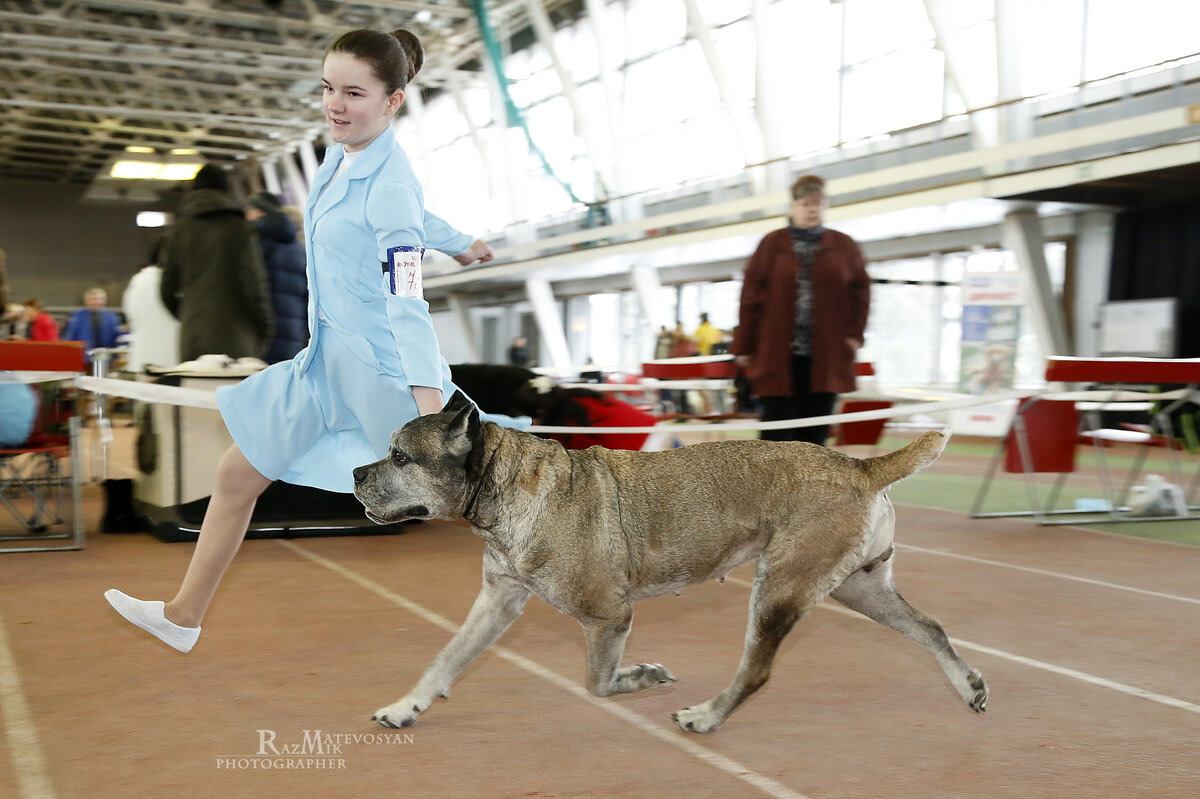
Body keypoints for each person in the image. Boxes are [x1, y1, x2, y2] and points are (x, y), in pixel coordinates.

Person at [104, 28, 525, 654]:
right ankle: (183, 615)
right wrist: (461, 241)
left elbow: (404, 293)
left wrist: (429, 407)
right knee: (237, 473)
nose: (336, 103)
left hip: (384, 373)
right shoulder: (340, 161)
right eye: (329, 88)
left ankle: (600, 572)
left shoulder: (387, 182)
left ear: (393, 101)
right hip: (324, 365)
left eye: (354, 92)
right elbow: (409, 222)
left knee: (495, 500)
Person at [732, 174, 869, 445]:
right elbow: (750, 297)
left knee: (816, 433)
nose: (812, 209)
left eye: (819, 204)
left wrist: (854, 335)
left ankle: (814, 487)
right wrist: (743, 346)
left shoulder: (844, 245)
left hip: (828, 354)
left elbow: (861, 293)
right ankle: (770, 488)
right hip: (776, 354)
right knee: (776, 434)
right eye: (806, 203)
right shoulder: (771, 244)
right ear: (792, 206)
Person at [159, 165, 275, 362]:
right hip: (237, 339)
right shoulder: (240, 229)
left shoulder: (178, 230)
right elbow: (254, 286)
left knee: (195, 393)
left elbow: (166, 290)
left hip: (193, 339)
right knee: (233, 393)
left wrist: (189, 316)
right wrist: (265, 328)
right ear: (226, 190)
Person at [246, 191, 309, 363]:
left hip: (262, 338)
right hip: (293, 338)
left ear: (259, 212)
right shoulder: (299, 250)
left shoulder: (255, 244)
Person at [121, 243, 181, 372]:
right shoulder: (176, 281)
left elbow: (131, 315)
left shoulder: (138, 280)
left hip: (143, 361)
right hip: (173, 363)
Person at [63, 288, 121, 359]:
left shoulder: (113, 318)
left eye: (100, 299)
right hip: (82, 357)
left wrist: (115, 357)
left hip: (105, 357)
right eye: (93, 299)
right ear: (86, 301)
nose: (97, 302)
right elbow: (70, 338)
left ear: (105, 300)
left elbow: (115, 340)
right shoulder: (76, 317)